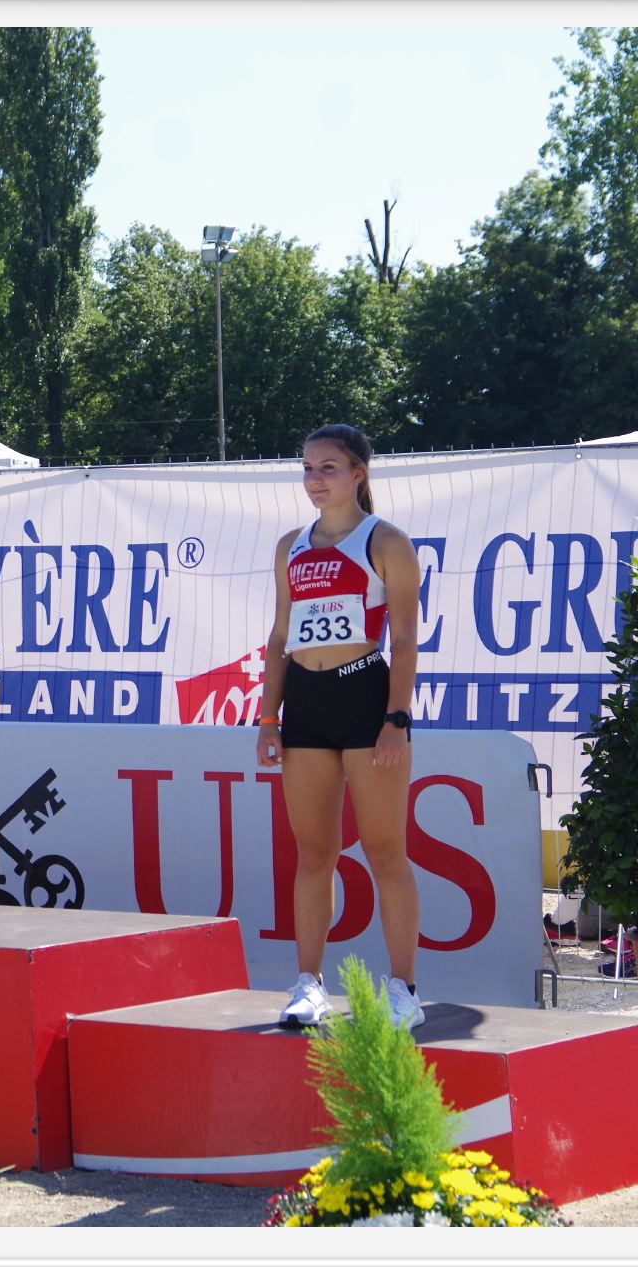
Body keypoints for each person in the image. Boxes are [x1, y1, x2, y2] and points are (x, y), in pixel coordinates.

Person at [256, 424, 425, 1031]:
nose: (315, 479)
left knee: (385, 852)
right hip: (305, 703)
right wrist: (267, 717)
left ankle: (403, 990)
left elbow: (404, 640)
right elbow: (280, 637)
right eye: (307, 468)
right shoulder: (291, 546)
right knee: (313, 854)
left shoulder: (386, 541)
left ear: (359, 473)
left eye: (328, 467)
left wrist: (396, 720)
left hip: (366, 698)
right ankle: (309, 985)